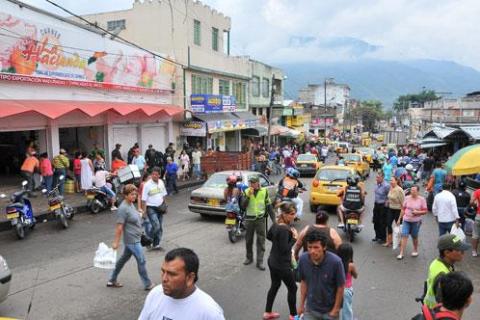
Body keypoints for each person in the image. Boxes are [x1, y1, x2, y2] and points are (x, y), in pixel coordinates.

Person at [138, 248, 225, 320]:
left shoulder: (209, 312)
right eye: (163, 271)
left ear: (190, 278)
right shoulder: (155, 294)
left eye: (172, 274)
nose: (164, 279)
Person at [107, 184, 155, 291]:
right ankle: (147, 284)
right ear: (125, 195)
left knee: (123, 259)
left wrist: (140, 213)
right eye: (131, 194)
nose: (134, 196)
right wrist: (115, 243)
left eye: (135, 194)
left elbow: (133, 218)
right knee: (141, 260)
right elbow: (119, 227)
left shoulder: (130, 205)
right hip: (132, 240)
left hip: (135, 238)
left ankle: (112, 279)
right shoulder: (123, 208)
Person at [297, 229, 345, 319]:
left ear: (324, 247)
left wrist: (335, 309)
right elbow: (304, 282)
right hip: (310, 309)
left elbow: (341, 287)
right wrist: (301, 305)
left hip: (329, 311)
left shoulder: (336, 262)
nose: (312, 251)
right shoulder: (303, 259)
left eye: (316, 247)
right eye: (309, 247)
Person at [263, 201, 298, 320]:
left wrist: (278, 242)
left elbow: (268, 236)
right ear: (284, 214)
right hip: (282, 265)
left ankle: (267, 313)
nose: (294, 216)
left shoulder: (276, 224)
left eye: (295, 213)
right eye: (292, 214)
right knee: (293, 288)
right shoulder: (284, 229)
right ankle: (293, 315)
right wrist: (294, 239)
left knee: (275, 285)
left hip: (272, 261)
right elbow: (285, 250)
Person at [423, 234, 470, 308]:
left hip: (428, 308)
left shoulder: (436, 262)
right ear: (447, 252)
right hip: (436, 313)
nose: (463, 252)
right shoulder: (443, 276)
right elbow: (443, 304)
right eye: (459, 250)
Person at [243, 175, 273, 271]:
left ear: (258, 183)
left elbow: (269, 206)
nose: (251, 185)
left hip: (260, 219)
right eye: (250, 183)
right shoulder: (246, 192)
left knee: (261, 241)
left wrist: (275, 220)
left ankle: (259, 262)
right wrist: (248, 196)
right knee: (248, 240)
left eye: (253, 183)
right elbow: (243, 206)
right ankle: (249, 258)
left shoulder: (264, 191)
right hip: (249, 220)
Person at [396, 185, 428, 260]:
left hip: (416, 221)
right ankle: (401, 253)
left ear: (418, 191)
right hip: (406, 220)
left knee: (414, 236)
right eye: (411, 190)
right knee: (404, 235)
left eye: (414, 190)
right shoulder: (407, 198)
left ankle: (415, 250)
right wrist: (399, 219)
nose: (412, 192)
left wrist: (418, 212)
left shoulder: (422, 199)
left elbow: (425, 211)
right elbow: (403, 209)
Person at [142, 167, 168, 251]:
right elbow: (143, 199)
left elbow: (164, 195)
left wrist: (165, 206)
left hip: (160, 207)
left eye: (156, 174)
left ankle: (156, 244)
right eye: (152, 174)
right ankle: (148, 239)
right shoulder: (147, 185)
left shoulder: (161, 182)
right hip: (151, 208)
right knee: (156, 226)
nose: (154, 176)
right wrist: (144, 212)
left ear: (159, 175)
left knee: (159, 227)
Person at [337, 243, 358, 320]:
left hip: (337, 289)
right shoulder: (351, 265)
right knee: (347, 308)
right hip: (346, 290)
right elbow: (356, 276)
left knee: (336, 306)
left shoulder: (336, 264)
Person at [384, 177, 405, 247]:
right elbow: (390, 197)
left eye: (392, 180)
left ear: (396, 181)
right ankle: (389, 241)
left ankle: (400, 241)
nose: (390, 182)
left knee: (399, 226)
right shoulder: (391, 188)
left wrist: (399, 218)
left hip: (398, 210)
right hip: (391, 208)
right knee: (388, 224)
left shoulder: (399, 190)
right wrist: (388, 201)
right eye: (390, 180)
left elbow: (403, 204)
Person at [372, 173, 390, 243]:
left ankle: (383, 238)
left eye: (378, 178)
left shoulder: (386, 186)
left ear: (382, 178)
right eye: (376, 177)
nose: (376, 179)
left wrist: (387, 202)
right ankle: (377, 236)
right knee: (375, 221)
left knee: (382, 222)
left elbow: (389, 195)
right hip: (376, 205)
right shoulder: (376, 184)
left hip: (383, 206)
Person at [469, 185, 480, 257]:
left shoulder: (478, 191)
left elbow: (471, 202)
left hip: (479, 216)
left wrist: (476, 204)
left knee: (475, 235)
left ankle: (474, 252)